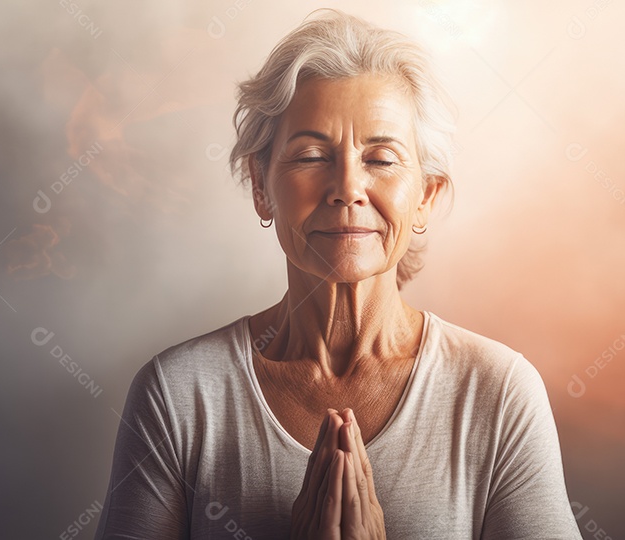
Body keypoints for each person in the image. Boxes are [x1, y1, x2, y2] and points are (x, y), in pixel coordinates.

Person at [94, 9, 581, 539]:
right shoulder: (179, 395)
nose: (347, 187)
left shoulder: (499, 393)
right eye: (311, 155)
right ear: (261, 185)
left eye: (381, 158)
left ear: (426, 196)